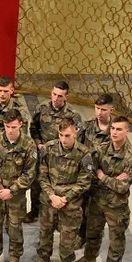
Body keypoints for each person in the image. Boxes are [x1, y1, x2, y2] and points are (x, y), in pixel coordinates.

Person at [79, 115, 132, 262]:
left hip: (115, 206)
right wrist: (110, 179)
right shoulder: (101, 147)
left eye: (119, 129)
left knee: (116, 238)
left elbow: (122, 187)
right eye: (112, 128)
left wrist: (103, 177)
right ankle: (89, 258)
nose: (114, 132)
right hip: (97, 200)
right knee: (93, 232)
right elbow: (88, 166)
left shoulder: (131, 158)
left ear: (127, 131)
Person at [32, 120, 93, 262]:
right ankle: (43, 258)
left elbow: (84, 182)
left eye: (67, 135)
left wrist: (65, 198)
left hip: (70, 203)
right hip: (49, 199)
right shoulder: (48, 149)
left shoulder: (84, 154)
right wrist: (52, 195)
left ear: (75, 133)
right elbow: (42, 175)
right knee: (45, 231)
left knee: (68, 234)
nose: (64, 139)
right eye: (61, 135)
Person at [0, 109, 37, 262]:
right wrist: (0, 189)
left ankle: (14, 257)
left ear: (21, 124)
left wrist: (11, 191)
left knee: (15, 226)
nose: (10, 130)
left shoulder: (28, 145)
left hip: (16, 196)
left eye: (13, 126)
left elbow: (29, 174)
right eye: (7, 126)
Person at [27, 80, 84, 223]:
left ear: (66, 97)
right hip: (44, 153)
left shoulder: (73, 115)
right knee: (37, 182)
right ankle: (34, 211)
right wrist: (38, 143)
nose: (55, 98)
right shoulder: (42, 108)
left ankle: (57, 212)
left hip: (62, 156)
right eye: (54, 94)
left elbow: (79, 137)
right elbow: (33, 128)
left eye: (60, 96)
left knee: (59, 184)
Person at [76, 93, 114, 246]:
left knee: (97, 213)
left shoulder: (115, 129)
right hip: (86, 176)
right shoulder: (87, 125)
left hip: (103, 179)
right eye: (97, 108)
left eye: (104, 110)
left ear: (111, 110)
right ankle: (81, 235)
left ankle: (93, 241)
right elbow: (77, 147)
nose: (99, 112)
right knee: (82, 207)